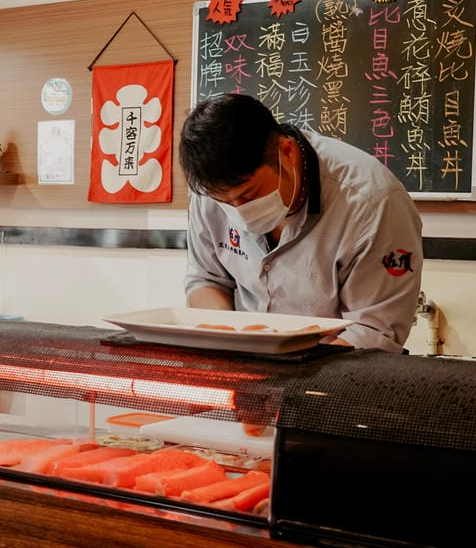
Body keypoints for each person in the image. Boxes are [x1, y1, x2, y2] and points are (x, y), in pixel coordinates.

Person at [178, 93, 422, 353]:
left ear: (287, 152)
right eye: (224, 202)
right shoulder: (210, 192)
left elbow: (372, 331)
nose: (239, 211)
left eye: (249, 195)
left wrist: (289, 368)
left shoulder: (371, 203)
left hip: (335, 372)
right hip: (245, 365)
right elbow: (207, 280)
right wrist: (226, 335)